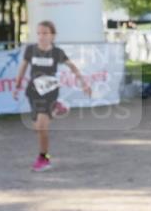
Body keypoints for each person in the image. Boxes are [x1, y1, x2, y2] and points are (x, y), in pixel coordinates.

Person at [12, 20, 92, 172]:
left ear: (52, 36)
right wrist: (17, 87)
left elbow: (72, 67)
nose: (42, 36)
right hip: (33, 92)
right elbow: (22, 69)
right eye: (39, 33)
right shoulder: (30, 50)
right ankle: (57, 108)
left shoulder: (57, 52)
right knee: (37, 128)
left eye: (45, 33)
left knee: (43, 127)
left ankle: (44, 158)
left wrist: (84, 83)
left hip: (49, 92)